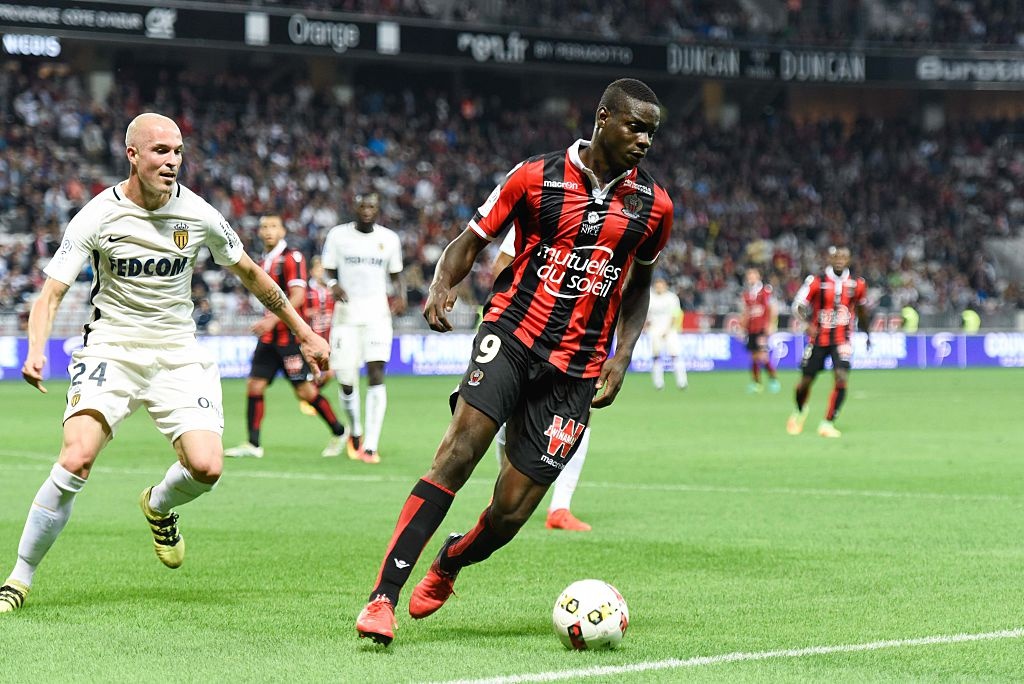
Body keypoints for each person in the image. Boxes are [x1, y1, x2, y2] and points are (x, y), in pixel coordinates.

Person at [354, 78, 673, 646]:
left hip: (577, 368)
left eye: (652, 132)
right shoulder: (534, 176)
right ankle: (383, 598)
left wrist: (622, 356)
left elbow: (640, 286)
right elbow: (471, 239)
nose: (645, 141)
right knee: (457, 453)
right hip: (512, 333)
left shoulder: (654, 206)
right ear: (603, 118)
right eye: (636, 127)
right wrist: (443, 283)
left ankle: (450, 561)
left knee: (510, 511)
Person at [0, 113, 330, 614]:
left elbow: (250, 274)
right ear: (132, 155)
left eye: (177, 151)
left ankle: (158, 504)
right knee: (76, 458)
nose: (172, 161)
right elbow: (50, 294)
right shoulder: (97, 215)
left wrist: (303, 331)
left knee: (207, 467)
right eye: (160, 151)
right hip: (111, 347)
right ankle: (18, 579)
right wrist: (37, 350)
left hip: (177, 353)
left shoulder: (198, 214)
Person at [492, 230, 591, 532]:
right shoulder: (540, 210)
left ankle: (560, 507)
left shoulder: (612, 222)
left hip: (580, 338)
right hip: (527, 332)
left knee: (579, 416)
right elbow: (502, 265)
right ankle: (503, 492)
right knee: (511, 412)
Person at [225, 216, 347, 459]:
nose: (268, 231)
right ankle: (253, 444)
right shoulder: (264, 260)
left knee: (305, 392)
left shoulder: (293, 258)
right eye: (264, 227)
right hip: (270, 339)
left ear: (282, 231)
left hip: (290, 337)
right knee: (255, 385)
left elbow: (298, 295)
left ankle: (340, 432)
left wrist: (270, 321)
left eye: (273, 226)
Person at [321, 193, 406, 464]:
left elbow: (396, 274)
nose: (367, 210)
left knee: (376, 372)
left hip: (377, 316)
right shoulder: (338, 236)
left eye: (372, 206)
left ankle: (370, 445)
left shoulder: (389, 239)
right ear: (354, 208)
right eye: (362, 206)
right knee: (346, 380)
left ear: (378, 210)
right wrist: (333, 285)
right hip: (346, 316)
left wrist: (401, 296)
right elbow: (326, 270)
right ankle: (355, 430)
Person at [786, 246, 870, 439]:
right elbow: (798, 306)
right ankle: (800, 410)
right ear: (829, 259)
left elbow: (861, 310)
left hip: (842, 339)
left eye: (844, 256)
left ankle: (827, 423)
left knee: (841, 377)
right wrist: (806, 325)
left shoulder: (857, 284)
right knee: (805, 381)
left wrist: (868, 334)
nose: (839, 259)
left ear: (849, 260)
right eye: (836, 256)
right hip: (818, 339)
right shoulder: (816, 281)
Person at [298, 255, 336, 417]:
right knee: (322, 372)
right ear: (312, 271)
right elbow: (301, 312)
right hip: (312, 339)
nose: (321, 273)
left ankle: (309, 397)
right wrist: (312, 313)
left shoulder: (330, 290)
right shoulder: (306, 292)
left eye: (323, 270)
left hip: (327, 338)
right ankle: (309, 398)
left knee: (328, 374)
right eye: (318, 269)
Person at [739, 267, 780, 394]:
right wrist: (742, 328)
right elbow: (745, 313)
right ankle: (757, 383)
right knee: (753, 356)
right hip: (751, 329)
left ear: (758, 277)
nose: (751, 278)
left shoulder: (766, 291)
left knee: (762, 355)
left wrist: (771, 324)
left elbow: (773, 308)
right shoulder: (747, 295)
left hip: (762, 328)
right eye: (749, 276)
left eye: (753, 275)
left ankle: (773, 380)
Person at [645, 276, 687, 390]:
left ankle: (682, 382)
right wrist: (646, 325)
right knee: (656, 356)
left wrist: (668, 330)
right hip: (654, 330)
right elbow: (646, 315)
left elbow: (675, 314)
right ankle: (658, 383)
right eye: (657, 284)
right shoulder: (650, 297)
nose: (659, 287)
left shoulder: (672, 298)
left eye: (661, 284)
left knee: (675, 355)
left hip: (670, 330)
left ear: (665, 285)